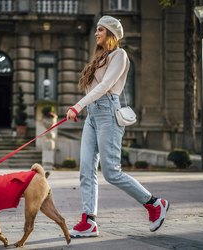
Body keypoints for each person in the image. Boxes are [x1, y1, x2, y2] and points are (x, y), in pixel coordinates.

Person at [66, 15, 169, 238]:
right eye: (96, 30)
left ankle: (154, 204)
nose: (96, 33)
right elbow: (93, 88)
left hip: (108, 114)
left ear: (111, 34)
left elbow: (105, 86)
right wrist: (84, 108)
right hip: (92, 116)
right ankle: (89, 221)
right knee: (86, 169)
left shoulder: (120, 55)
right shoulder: (99, 58)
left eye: (101, 30)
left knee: (111, 172)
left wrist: (77, 106)